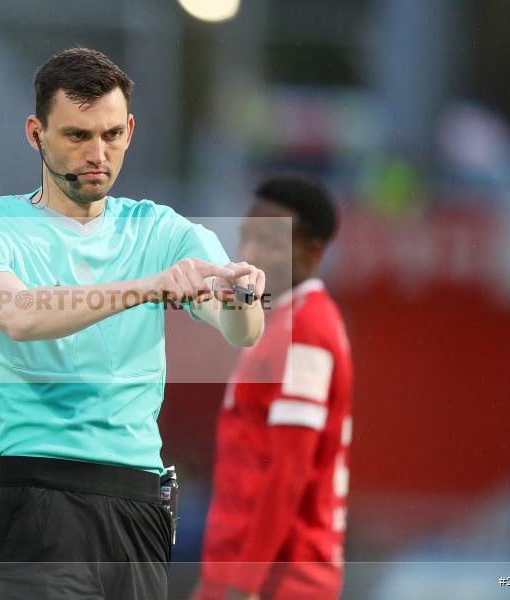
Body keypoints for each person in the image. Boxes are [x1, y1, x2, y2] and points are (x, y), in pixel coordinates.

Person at [0, 47, 266, 599]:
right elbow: (18, 316)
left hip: (139, 499)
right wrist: (148, 286)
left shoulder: (160, 228)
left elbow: (241, 329)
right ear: (35, 134)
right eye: (77, 136)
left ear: (131, 129)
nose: (98, 154)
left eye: (112, 135)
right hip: (41, 492)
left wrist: (241, 296)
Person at [193, 175, 354, 600]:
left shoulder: (308, 329)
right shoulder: (278, 320)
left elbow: (291, 468)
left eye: (269, 242)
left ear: (312, 252)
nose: (249, 255)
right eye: (248, 236)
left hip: (281, 580)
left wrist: (243, 583)